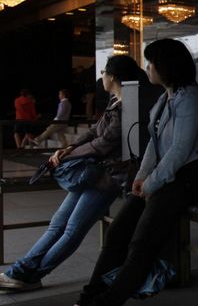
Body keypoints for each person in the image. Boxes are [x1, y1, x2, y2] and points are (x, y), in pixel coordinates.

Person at [48, 38, 198, 306]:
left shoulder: (189, 99)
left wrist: (151, 183)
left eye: (151, 63)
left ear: (166, 67)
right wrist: (142, 177)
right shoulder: (167, 97)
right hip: (164, 179)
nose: (147, 68)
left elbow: (179, 152)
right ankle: (87, 302)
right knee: (117, 234)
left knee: (142, 243)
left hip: (186, 181)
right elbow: (154, 142)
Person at [0, 59, 147, 293]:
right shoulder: (117, 100)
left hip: (108, 178)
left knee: (72, 229)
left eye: (103, 72)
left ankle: (31, 275)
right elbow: (95, 131)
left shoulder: (128, 105)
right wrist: (69, 148)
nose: (101, 77)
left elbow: (106, 142)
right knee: (58, 224)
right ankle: (21, 271)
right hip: (93, 173)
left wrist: (70, 154)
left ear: (114, 77)